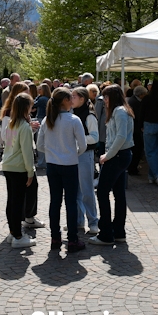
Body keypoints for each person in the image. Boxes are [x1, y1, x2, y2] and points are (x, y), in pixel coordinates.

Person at [36, 88, 87, 253]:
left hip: (53, 165)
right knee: (70, 202)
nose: (72, 100)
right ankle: (72, 239)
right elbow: (83, 145)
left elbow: (39, 146)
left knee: (55, 202)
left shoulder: (47, 120)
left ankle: (55, 238)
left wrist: (52, 152)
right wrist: (72, 152)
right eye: (70, 97)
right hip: (69, 165)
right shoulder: (73, 120)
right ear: (64, 101)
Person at [89, 84, 134, 246]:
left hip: (118, 156)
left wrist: (108, 155)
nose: (104, 101)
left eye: (106, 97)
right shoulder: (121, 111)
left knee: (102, 192)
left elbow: (121, 137)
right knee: (119, 193)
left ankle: (107, 233)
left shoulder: (119, 111)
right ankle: (118, 231)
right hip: (120, 155)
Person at [1, 93, 38, 249]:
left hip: (8, 165)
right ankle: (17, 235)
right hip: (18, 168)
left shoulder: (11, 123)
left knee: (12, 201)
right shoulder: (23, 126)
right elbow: (27, 152)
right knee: (17, 203)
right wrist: (31, 171)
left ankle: (13, 231)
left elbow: (9, 145)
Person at [71, 87, 99, 234]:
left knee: (87, 189)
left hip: (85, 155)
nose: (71, 99)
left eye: (73, 96)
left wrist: (77, 139)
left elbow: (95, 137)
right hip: (73, 155)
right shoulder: (71, 113)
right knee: (75, 190)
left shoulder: (89, 116)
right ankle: (78, 221)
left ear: (82, 99)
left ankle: (93, 221)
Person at [140, 80, 158, 186]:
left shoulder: (147, 99)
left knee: (150, 152)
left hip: (149, 125)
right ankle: (152, 176)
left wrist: (141, 125)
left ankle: (157, 175)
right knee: (157, 152)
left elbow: (141, 112)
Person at [126, 85, 147, 175]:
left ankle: (133, 167)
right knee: (137, 149)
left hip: (135, 129)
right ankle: (133, 168)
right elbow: (138, 116)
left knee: (136, 149)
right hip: (135, 130)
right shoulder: (134, 102)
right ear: (141, 94)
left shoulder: (133, 101)